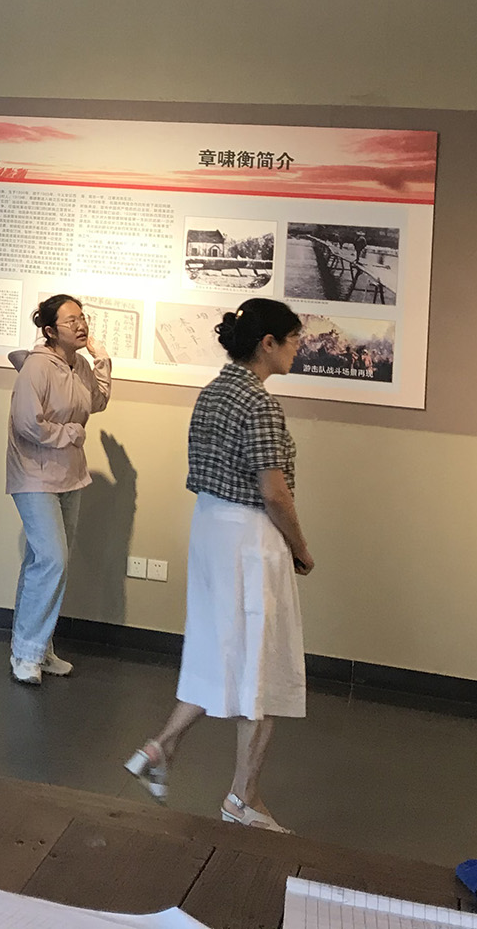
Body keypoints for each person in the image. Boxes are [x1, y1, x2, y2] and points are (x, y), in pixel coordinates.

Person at [124, 298, 315, 833]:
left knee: (218, 651)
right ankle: (242, 798)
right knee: (261, 667)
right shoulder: (259, 402)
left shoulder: (213, 391)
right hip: (248, 538)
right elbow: (274, 492)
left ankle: (160, 748)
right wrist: (301, 548)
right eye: (293, 340)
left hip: (211, 528)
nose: (298, 349)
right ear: (267, 344)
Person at [6, 295, 111, 685]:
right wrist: (70, 433)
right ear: (50, 330)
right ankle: (26, 654)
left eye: (82, 318)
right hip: (34, 475)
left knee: (42, 560)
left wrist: (102, 361)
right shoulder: (36, 367)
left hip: (70, 474)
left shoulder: (78, 365)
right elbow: (26, 424)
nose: (81, 325)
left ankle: (37, 648)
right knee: (53, 560)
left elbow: (96, 402)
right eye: (71, 321)